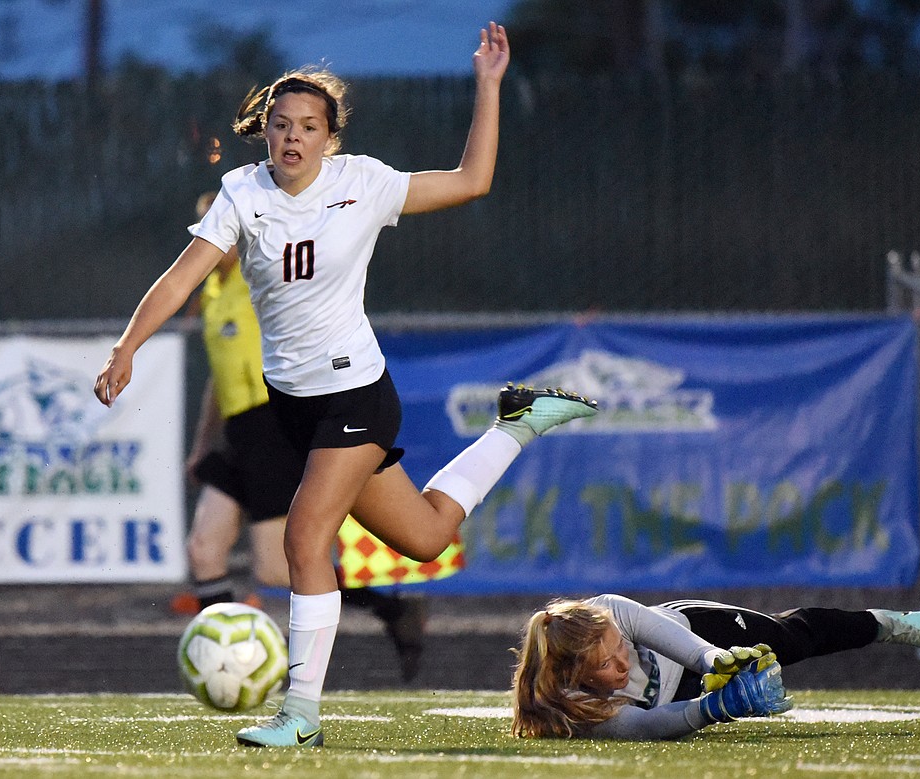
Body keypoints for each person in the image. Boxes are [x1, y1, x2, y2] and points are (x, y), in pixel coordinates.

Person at [95, 22, 598, 748]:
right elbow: (181, 276)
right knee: (424, 537)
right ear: (262, 132)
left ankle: (300, 714)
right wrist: (126, 345)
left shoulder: (361, 183)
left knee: (304, 535)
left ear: (330, 138)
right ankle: (518, 422)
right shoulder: (241, 192)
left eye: (308, 126)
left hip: (355, 393)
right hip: (293, 406)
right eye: (279, 125)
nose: (292, 138)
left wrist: (487, 86)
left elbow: (471, 181)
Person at [173, 190, 437, 683]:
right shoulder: (210, 293)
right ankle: (224, 666)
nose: (214, 236)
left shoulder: (260, 276)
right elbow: (219, 375)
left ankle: (392, 608)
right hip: (237, 432)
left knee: (276, 569)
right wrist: (202, 444)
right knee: (203, 551)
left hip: (273, 424)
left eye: (222, 225)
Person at [511, 593, 920, 741]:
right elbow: (644, 726)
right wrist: (716, 708)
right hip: (678, 697)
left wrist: (719, 661)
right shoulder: (568, 705)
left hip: (693, 635)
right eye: (607, 665)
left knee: (789, 638)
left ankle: (888, 624)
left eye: (618, 648)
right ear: (575, 675)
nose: (622, 662)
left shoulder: (610, 610)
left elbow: (692, 649)